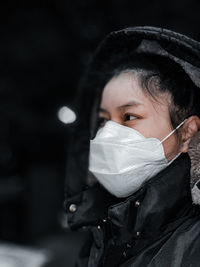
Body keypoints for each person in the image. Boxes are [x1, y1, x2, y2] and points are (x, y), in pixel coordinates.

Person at [64, 26, 200, 266]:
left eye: (129, 117)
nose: (109, 133)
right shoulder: (103, 225)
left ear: (187, 133)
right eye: (104, 120)